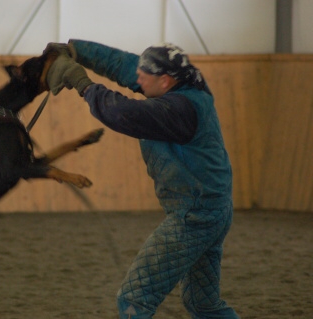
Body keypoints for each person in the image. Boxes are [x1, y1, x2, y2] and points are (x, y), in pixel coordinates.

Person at [44, 40, 240, 319]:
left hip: (193, 217)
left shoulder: (178, 111)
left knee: (134, 300)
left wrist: (83, 85)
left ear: (165, 81)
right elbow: (124, 64)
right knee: (203, 305)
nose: (136, 77)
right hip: (214, 210)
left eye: (144, 75)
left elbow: (123, 113)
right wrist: (75, 49)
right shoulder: (187, 86)